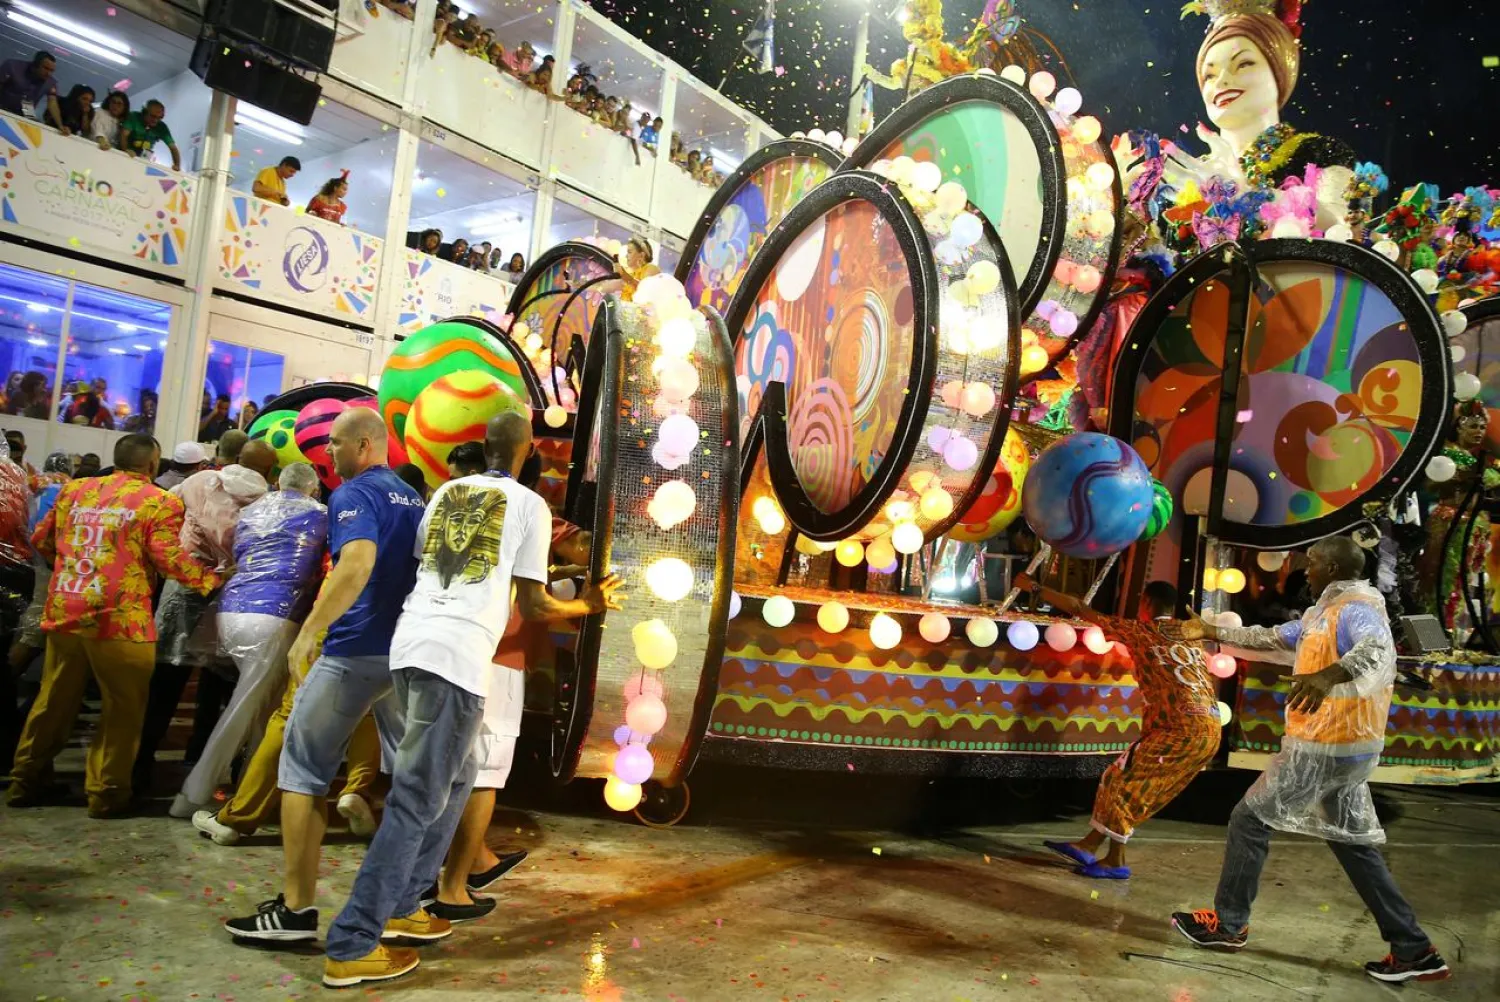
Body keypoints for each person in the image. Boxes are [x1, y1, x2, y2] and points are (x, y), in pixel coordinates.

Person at [317, 411, 623, 987]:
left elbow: (425, 569)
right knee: (416, 799)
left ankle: (408, 904)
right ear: (527, 450)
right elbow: (533, 606)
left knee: (460, 775)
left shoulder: (449, 491)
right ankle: (353, 940)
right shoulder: (530, 505)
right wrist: (587, 606)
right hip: (454, 660)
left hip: (413, 646)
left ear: (484, 447)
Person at [1166, 536, 1451, 984]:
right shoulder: (1326, 613)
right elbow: (1274, 638)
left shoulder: (1357, 609)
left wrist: (1327, 674)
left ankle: (1229, 923)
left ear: (1335, 569)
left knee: (1249, 821)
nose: (1306, 568)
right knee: (1353, 844)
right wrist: (1213, 631)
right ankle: (1413, 949)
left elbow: (1377, 652)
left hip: (1327, 749)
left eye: (1314, 561)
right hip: (1339, 748)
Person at [224, 407, 423, 943]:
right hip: (400, 652)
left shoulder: (352, 495)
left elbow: (356, 564)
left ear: (364, 444)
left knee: (302, 770)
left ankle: (294, 910)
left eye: (335, 444)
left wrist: (312, 629)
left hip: (354, 648)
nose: (327, 453)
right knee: (415, 779)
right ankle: (410, 904)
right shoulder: (412, 497)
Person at [7, 435, 221, 815]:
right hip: (122, 619)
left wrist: (75, 568)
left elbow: (42, 539)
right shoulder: (159, 501)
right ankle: (106, 794)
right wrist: (211, 580)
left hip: (67, 609)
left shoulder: (75, 491)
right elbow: (169, 558)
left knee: (52, 701)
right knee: (122, 710)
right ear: (153, 465)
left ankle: (26, 779)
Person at [424, 448, 587, 919]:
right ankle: (452, 886)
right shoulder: (528, 510)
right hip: (499, 652)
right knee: (482, 771)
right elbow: (542, 590)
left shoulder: (455, 505)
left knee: (453, 765)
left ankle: (469, 863)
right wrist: (584, 600)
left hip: (447, 646)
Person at [1019, 577, 1220, 879]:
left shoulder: (1141, 630)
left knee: (1120, 780)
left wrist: (1033, 587)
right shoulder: (1190, 635)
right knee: (1126, 780)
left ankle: (1115, 860)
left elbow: (1078, 607)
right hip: (1209, 727)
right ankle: (1090, 844)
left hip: (1182, 728)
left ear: (1147, 604)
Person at [173, 463, 327, 818]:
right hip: (276, 616)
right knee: (245, 709)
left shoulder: (251, 512)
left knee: (265, 708)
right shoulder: (320, 515)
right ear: (313, 488)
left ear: (277, 483)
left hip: (231, 611)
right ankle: (192, 795)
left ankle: (251, 790)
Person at [136, 448, 275, 793]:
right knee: (224, 683)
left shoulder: (198, 481)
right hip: (235, 592)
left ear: (232, 457)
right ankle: (211, 767)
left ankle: (139, 767)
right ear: (270, 469)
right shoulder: (268, 500)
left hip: (185, 585)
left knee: (166, 681)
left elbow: (161, 515)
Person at [0, 52, 62, 133]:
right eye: (46, 68)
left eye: (52, 70)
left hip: (26, 110)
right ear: (35, 65)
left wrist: (60, 125)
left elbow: (52, 103)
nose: (49, 73)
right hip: (3, 105)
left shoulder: (50, 82)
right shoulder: (12, 66)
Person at [120, 100, 182, 170]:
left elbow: (173, 148)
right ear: (144, 112)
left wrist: (177, 165)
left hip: (143, 160)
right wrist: (125, 150)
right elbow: (123, 135)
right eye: (153, 116)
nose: (156, 120)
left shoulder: (162, 127)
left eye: (160, 117)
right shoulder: (133, 116)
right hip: (124, 155)